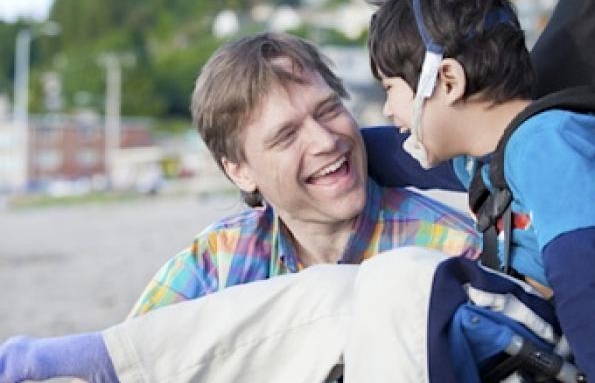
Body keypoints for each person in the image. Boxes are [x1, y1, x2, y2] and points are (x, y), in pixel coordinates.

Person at [0, 32, 480, 383]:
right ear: (240, 171)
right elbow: (142, 360)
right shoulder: (217, 258)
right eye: (286, 135)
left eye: (328, 109)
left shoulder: (450, 248)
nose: (326, 140)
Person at [363, 0, 595, 381]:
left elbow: (587, 276)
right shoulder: (488, 159)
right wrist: (329, 149)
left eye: (390, 89)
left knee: (403, 284)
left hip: (588, 336)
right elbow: (392, 155)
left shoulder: (547, 146)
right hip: (551, 325)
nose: (388, 110)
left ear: (447, 80)